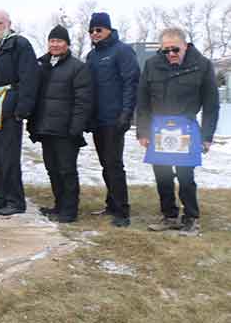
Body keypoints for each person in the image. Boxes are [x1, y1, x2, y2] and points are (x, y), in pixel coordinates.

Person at [138, 28, 220, 236]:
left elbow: (211, 105)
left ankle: (191, 218)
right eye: (166, 50)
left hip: (186, 128)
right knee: (163, 175)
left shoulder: (201, 65)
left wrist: (207, 137)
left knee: (185, 176)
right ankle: (169, 216)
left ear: (186, 46)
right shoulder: (151, 65)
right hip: (159, 129)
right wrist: (143, 131)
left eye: (175, 49)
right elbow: (143, 101)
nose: (171, 54)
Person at [27, 25, 92, 223]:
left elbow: (83, 101)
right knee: (52, 169)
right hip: (46, 129)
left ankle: (70, 210)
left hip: (66, 130)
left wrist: (76, 127)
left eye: (59, 41)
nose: (55, 45)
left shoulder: (78, 67)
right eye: (52, 41)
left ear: (67, 44)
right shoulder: (41, 65)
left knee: (67, 170)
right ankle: (58, 205)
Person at [0, 10, 40, 216]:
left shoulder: (19, 44)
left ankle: (16, 200)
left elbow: (29, 77)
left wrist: (22, 108)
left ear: (8, 24)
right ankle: (2, 195)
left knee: (10, 156)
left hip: (11, 108)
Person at [86, 12, 140, 227]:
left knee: (114, 164)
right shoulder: (91, 56)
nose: (94, 34)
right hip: (98, 119)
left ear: (108, 29)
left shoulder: (123, 51)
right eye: (91, 31)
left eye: (98, 29)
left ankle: (122, 211)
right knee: (105, 164)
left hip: (115, 118)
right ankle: (111, 204)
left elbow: (131, 83)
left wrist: (126, 114)